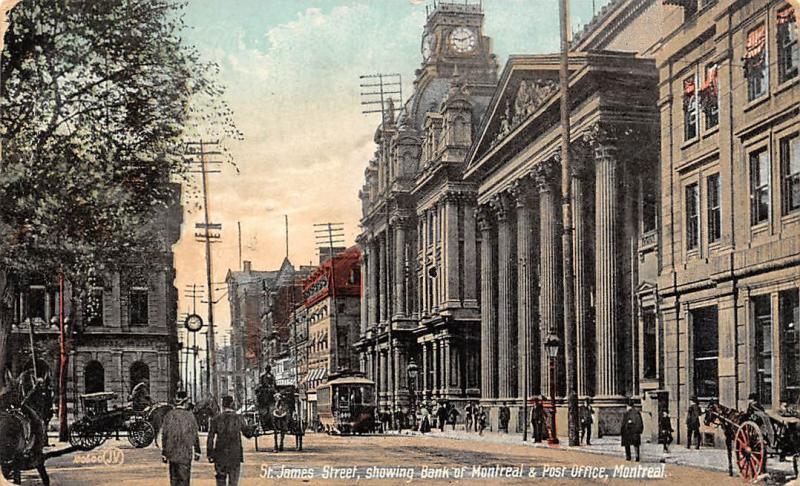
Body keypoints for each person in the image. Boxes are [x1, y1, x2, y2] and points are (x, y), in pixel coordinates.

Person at [207, 396, 254, 486]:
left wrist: (210, 453)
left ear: (223, 405)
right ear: (232, 404)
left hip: (220, 454)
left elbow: (210, 438)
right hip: (235, 454)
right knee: (233, 482)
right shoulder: (239, 418)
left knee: (220, 480)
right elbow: (248, 434)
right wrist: (252, 427)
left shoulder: (216, 419)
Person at [162, 391, 201, 486]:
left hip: (172, 453)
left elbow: (165, 435)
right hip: (185, 454)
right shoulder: (190, 416)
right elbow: (194, 434)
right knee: (184, 480)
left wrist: (164, 452)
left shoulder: (169, 415)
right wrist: (197, 450)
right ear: (185, 402)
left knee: (174, 480)